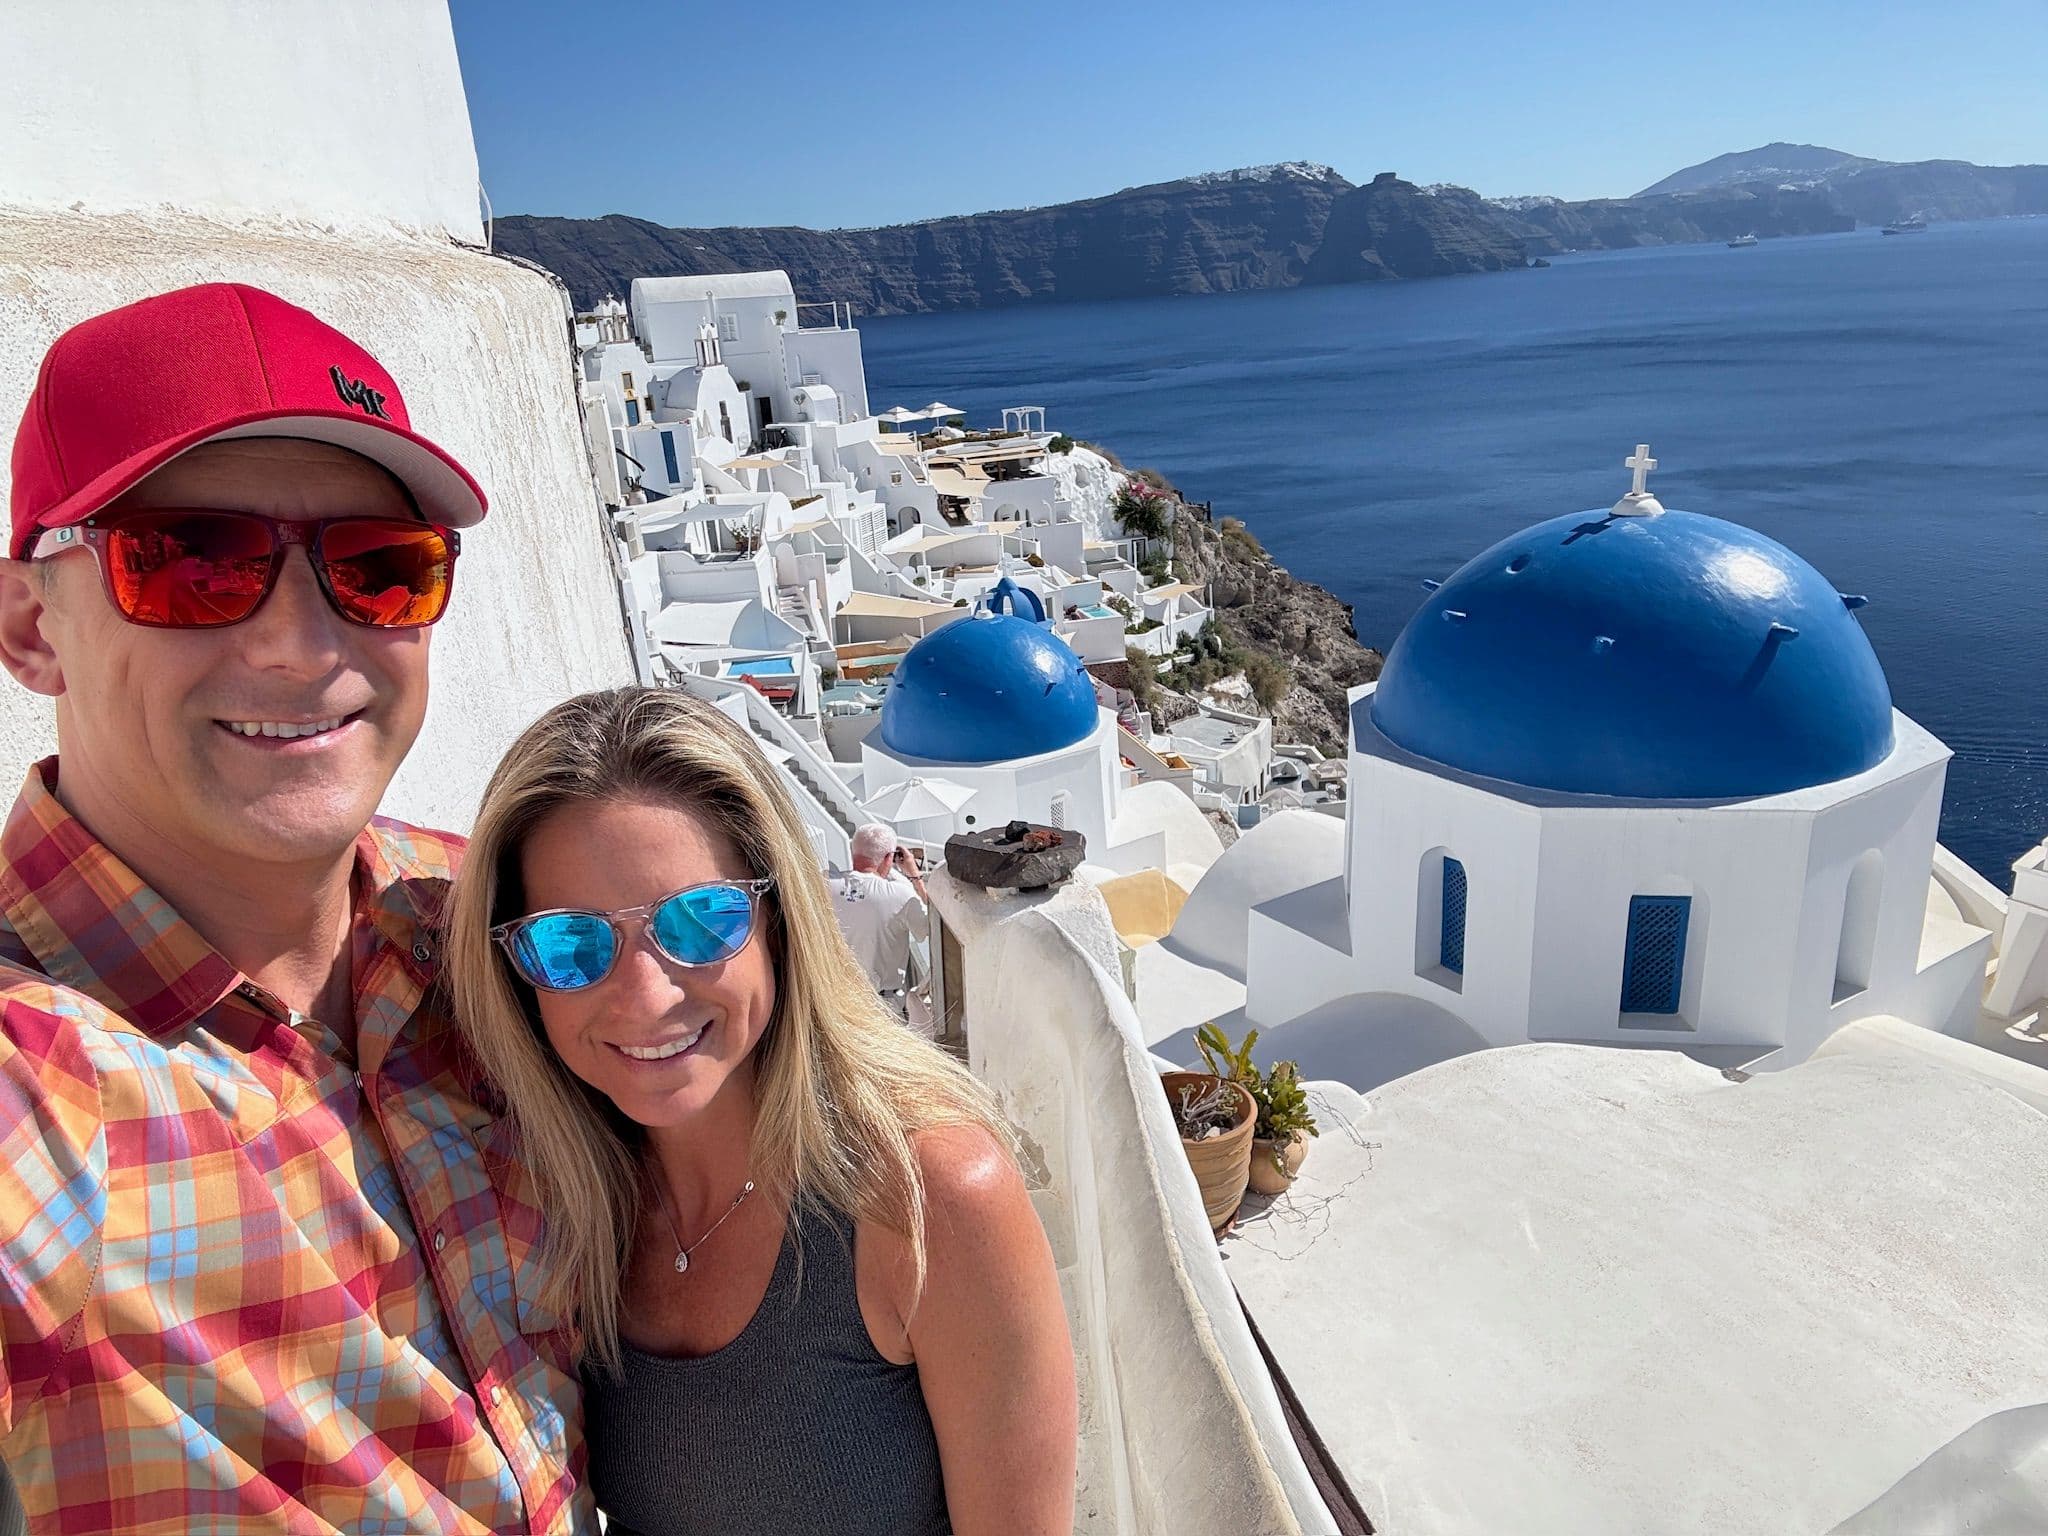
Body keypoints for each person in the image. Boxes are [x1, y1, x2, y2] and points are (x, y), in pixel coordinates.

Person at [0, 284, 593, 1533]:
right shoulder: (38, 1078)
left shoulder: (492, 917)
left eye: (377, 570)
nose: (300, 641)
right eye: (194, 559)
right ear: (28, 625)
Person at [444, 686, 1077, 1536]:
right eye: (571, 942)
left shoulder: (929, 1203)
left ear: (778, 922)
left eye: (699, 921)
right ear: (520, 972)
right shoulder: (554, 1205)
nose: (645, 994)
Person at [830, 822, 930, 1015]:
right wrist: (915, 876)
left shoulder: (826, 886)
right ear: (888, 858)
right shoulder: (900, 894)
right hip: (882, 1006)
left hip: (838, 1003)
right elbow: (932, 927)